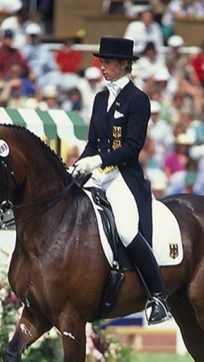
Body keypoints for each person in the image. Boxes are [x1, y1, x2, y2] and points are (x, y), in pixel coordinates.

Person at [74, 36, 173, 325]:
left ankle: (158, 296)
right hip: (98, 174)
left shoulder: (138, 100)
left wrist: (99, 161)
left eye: (107, 62)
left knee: (127, 230)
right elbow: (93, 142)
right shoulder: (100, 98)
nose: (102, 67)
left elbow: (132, 147)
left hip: (123, 177)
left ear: (123, 65)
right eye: (101, 62)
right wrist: (80, 165)